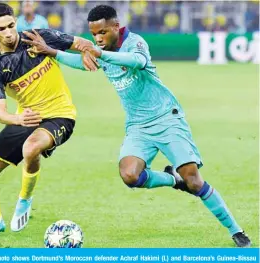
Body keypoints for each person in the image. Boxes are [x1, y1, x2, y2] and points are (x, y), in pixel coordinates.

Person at [22, 5, 251, 247]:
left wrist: (99, 54)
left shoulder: (134, 42)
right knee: (130, 175)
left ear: (115, 26)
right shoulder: (103, 50)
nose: (97, 39)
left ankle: (235, 230)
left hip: (166, 117)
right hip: (138, 126)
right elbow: (82, 62)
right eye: (93, 35)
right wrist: (51, 51)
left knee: (194, 181)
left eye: (102, 32)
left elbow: (136, 62)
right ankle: (173, 179)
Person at [0, 2, 96, 238]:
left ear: (16, 22)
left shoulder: (37, 37)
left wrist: (88, 51)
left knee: (31, 148)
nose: (8, 33)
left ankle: (25, 200)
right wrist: (17, 118)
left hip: (60, 114)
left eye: (10, 26)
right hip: (27, 119)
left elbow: (80, 42)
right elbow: (0, 113)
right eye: (1, 29)